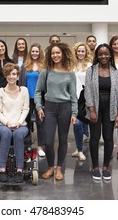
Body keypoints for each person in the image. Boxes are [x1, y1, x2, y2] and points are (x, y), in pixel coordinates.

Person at [35, 42, 77, 181]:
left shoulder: (70, 73)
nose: (55, 55)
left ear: (63, 54)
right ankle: (50, 167)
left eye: (58, 53)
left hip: (65, 108)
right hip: (50, 107)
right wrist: (39, 107)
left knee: (63, 140)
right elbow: (38, 91)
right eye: (53, 53)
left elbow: (73, 95)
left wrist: (74, 113)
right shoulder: (45, 71)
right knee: (48, 141)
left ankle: (59, 168)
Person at [84, 44, 118, 180]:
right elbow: (87, 91)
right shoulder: (91, 70)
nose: (103, 56)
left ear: (110, 55)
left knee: (108, 138)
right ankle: (95, 167)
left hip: (110, 109)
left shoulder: (115, 72)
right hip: (94, 108)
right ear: (97, 56)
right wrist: (92, 110)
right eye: (100, 54)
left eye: (106, 54)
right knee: (94, 138)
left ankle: (106, 166)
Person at [0, 63, 30, 183]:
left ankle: (19, 170)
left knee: (18, 134)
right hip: (4, 125)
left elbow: (26, 109)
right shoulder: (0, 92)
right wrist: (7, 122)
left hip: (21, 125)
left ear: (18, 76)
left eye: (14, 74)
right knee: (6, 133)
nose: (11, 76)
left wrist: (19, 123)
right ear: (5, 76)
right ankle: (2, 169)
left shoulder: (24, 90)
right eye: (8, 74)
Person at [19, 43, 46, 157]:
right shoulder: (25, 66)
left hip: (39, 99)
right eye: (33, 51)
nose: (35, 53)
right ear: (30, 53)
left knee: (41, 124)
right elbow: (20, 82)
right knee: (26, 123)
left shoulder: (44, 66)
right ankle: (27, 145)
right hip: (26, 98)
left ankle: (40, 147)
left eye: (37, 51)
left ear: (40, 53)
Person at [71, 42, 93, 161]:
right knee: (77, 123)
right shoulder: (71, 65)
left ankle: (86, 138)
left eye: (82, 51)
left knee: (85, 123)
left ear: (86, 52)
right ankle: (79, 150)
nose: (80, 53)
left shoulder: (89, 65)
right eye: (78, 51)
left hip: (86, 98)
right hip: (74, 97)